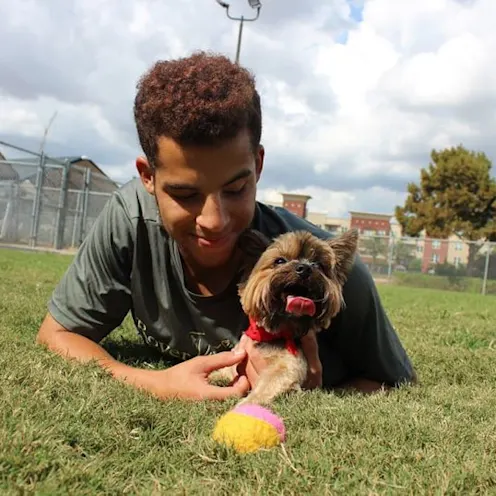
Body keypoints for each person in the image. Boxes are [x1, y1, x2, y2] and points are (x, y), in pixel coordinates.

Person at [36, 51, 416, 401]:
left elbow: (392, 382)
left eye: (235, 188)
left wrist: (312, 393)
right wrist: (154, 381)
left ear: (259, 165)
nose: (213, 221)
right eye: (184, 194)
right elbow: (58, 333)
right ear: (147, 176)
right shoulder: (129, 218)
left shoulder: (330, 267)